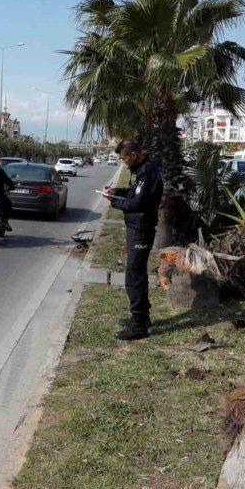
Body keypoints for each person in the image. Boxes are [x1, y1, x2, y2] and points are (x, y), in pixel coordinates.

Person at [104, 140, 163, 340]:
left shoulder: (148, 172)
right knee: (137, 273)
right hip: (135, 226)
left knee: (134, 275)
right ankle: (142, 317)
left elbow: (137, 202)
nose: (122, 162)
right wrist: (115, 192)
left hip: (142, 228)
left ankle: (138, 325)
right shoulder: (139, 171)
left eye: (124, 158)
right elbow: (133, 193)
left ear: (134, 154)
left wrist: (114, 202)